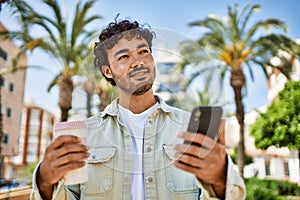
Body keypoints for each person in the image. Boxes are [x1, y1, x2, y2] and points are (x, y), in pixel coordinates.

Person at [31, 18, 245, 200]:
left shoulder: (196, 127)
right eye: (123, 56)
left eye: (143, 52)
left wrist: (220, 181)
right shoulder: (84, 134)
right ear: (108, 71)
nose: (138, 62)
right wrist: (45, 182)